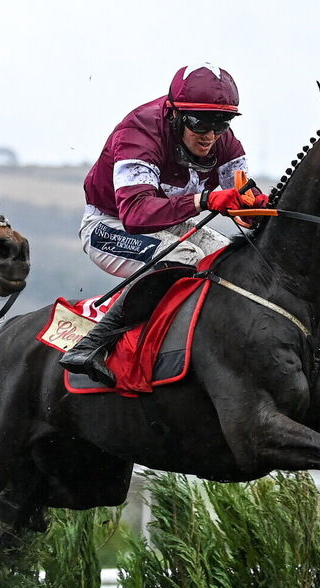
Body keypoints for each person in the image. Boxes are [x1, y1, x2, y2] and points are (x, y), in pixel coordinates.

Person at [60, 62, 267, 386]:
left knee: (229, 258)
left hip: (169, 224)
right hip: (110, 224)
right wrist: (204, 200)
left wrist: (258, 206)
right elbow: (135, 214)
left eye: (221, 123)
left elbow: (243, 198)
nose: (210, 135)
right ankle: (91, 345)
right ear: (175, 115)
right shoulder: (139, 133)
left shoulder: (223, 141)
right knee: (183, 257)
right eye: (200, 123)